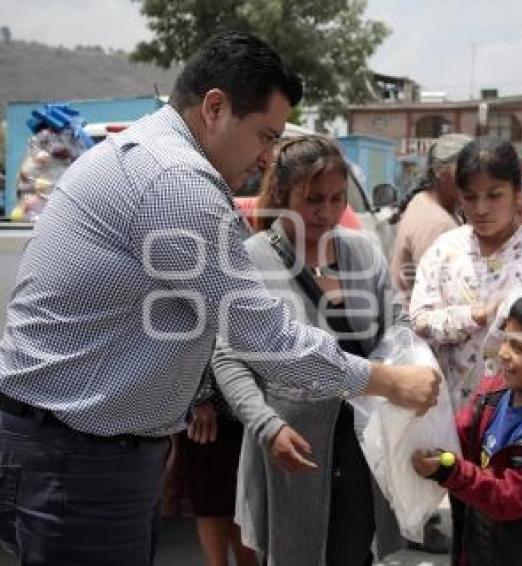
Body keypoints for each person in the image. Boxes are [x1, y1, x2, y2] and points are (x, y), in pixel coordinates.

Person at [0, 32, 437, 565]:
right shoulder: (178, 181)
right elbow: (260, 333)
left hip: (78, 446)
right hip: (80, 456)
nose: (265, 158)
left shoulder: (144, 156)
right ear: (215, 108)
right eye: (264, 135)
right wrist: (387, 381)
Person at [213, 136, 408, 565]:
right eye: (313, 199)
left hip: (362, 443)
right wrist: (267, 426)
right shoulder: (251, 260)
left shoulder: (363, 253)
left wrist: (396, 375)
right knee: (294, 552)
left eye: (337, 198)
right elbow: (228, 357)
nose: (326, 211)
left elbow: (399, 327)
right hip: (291, 447)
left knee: (354, 550)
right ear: (283, 195)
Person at [411, 287, 522, 566]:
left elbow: (510, 499)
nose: (504, 353)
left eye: (519, 348)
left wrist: (449, 470)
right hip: (483, 535)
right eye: (506, 340)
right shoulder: (494, 392)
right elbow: (458, 433)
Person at [409, 137, 522, 410]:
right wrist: (474, 315)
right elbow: (420, 321)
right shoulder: (445, 251)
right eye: (470, 197)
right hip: (451, 414)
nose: (481, 209)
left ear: (518, 191)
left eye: (494, 195)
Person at [160, 368, 255, 566]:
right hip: (208, 410)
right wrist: (197, 397)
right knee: (209, 501)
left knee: (244, 498)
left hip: (246, 405)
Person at [390, 133, 471, 297]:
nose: (471, 178)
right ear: (439, 171)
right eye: (463, 170)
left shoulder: (426, 202)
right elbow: (439, 295)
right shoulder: (437, 224)